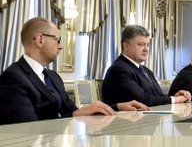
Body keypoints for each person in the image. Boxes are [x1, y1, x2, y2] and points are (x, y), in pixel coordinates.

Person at [0, 18, 149, 125]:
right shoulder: (13, 78)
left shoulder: (53, 76)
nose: (61, 46)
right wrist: (75, 114)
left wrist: (116, 107)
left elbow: (72, 111)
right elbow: (27, 128)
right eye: (57, 40)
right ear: (40, 40)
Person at [102, 25, 192, 107]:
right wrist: (175, 99)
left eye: (147, 45)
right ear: (126, 46)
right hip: (128, 119)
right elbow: (143, 101)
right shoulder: (119, 69)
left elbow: (157, 97)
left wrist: (175, 96)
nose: (146, 49)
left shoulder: (146, 70)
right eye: (141, 44)